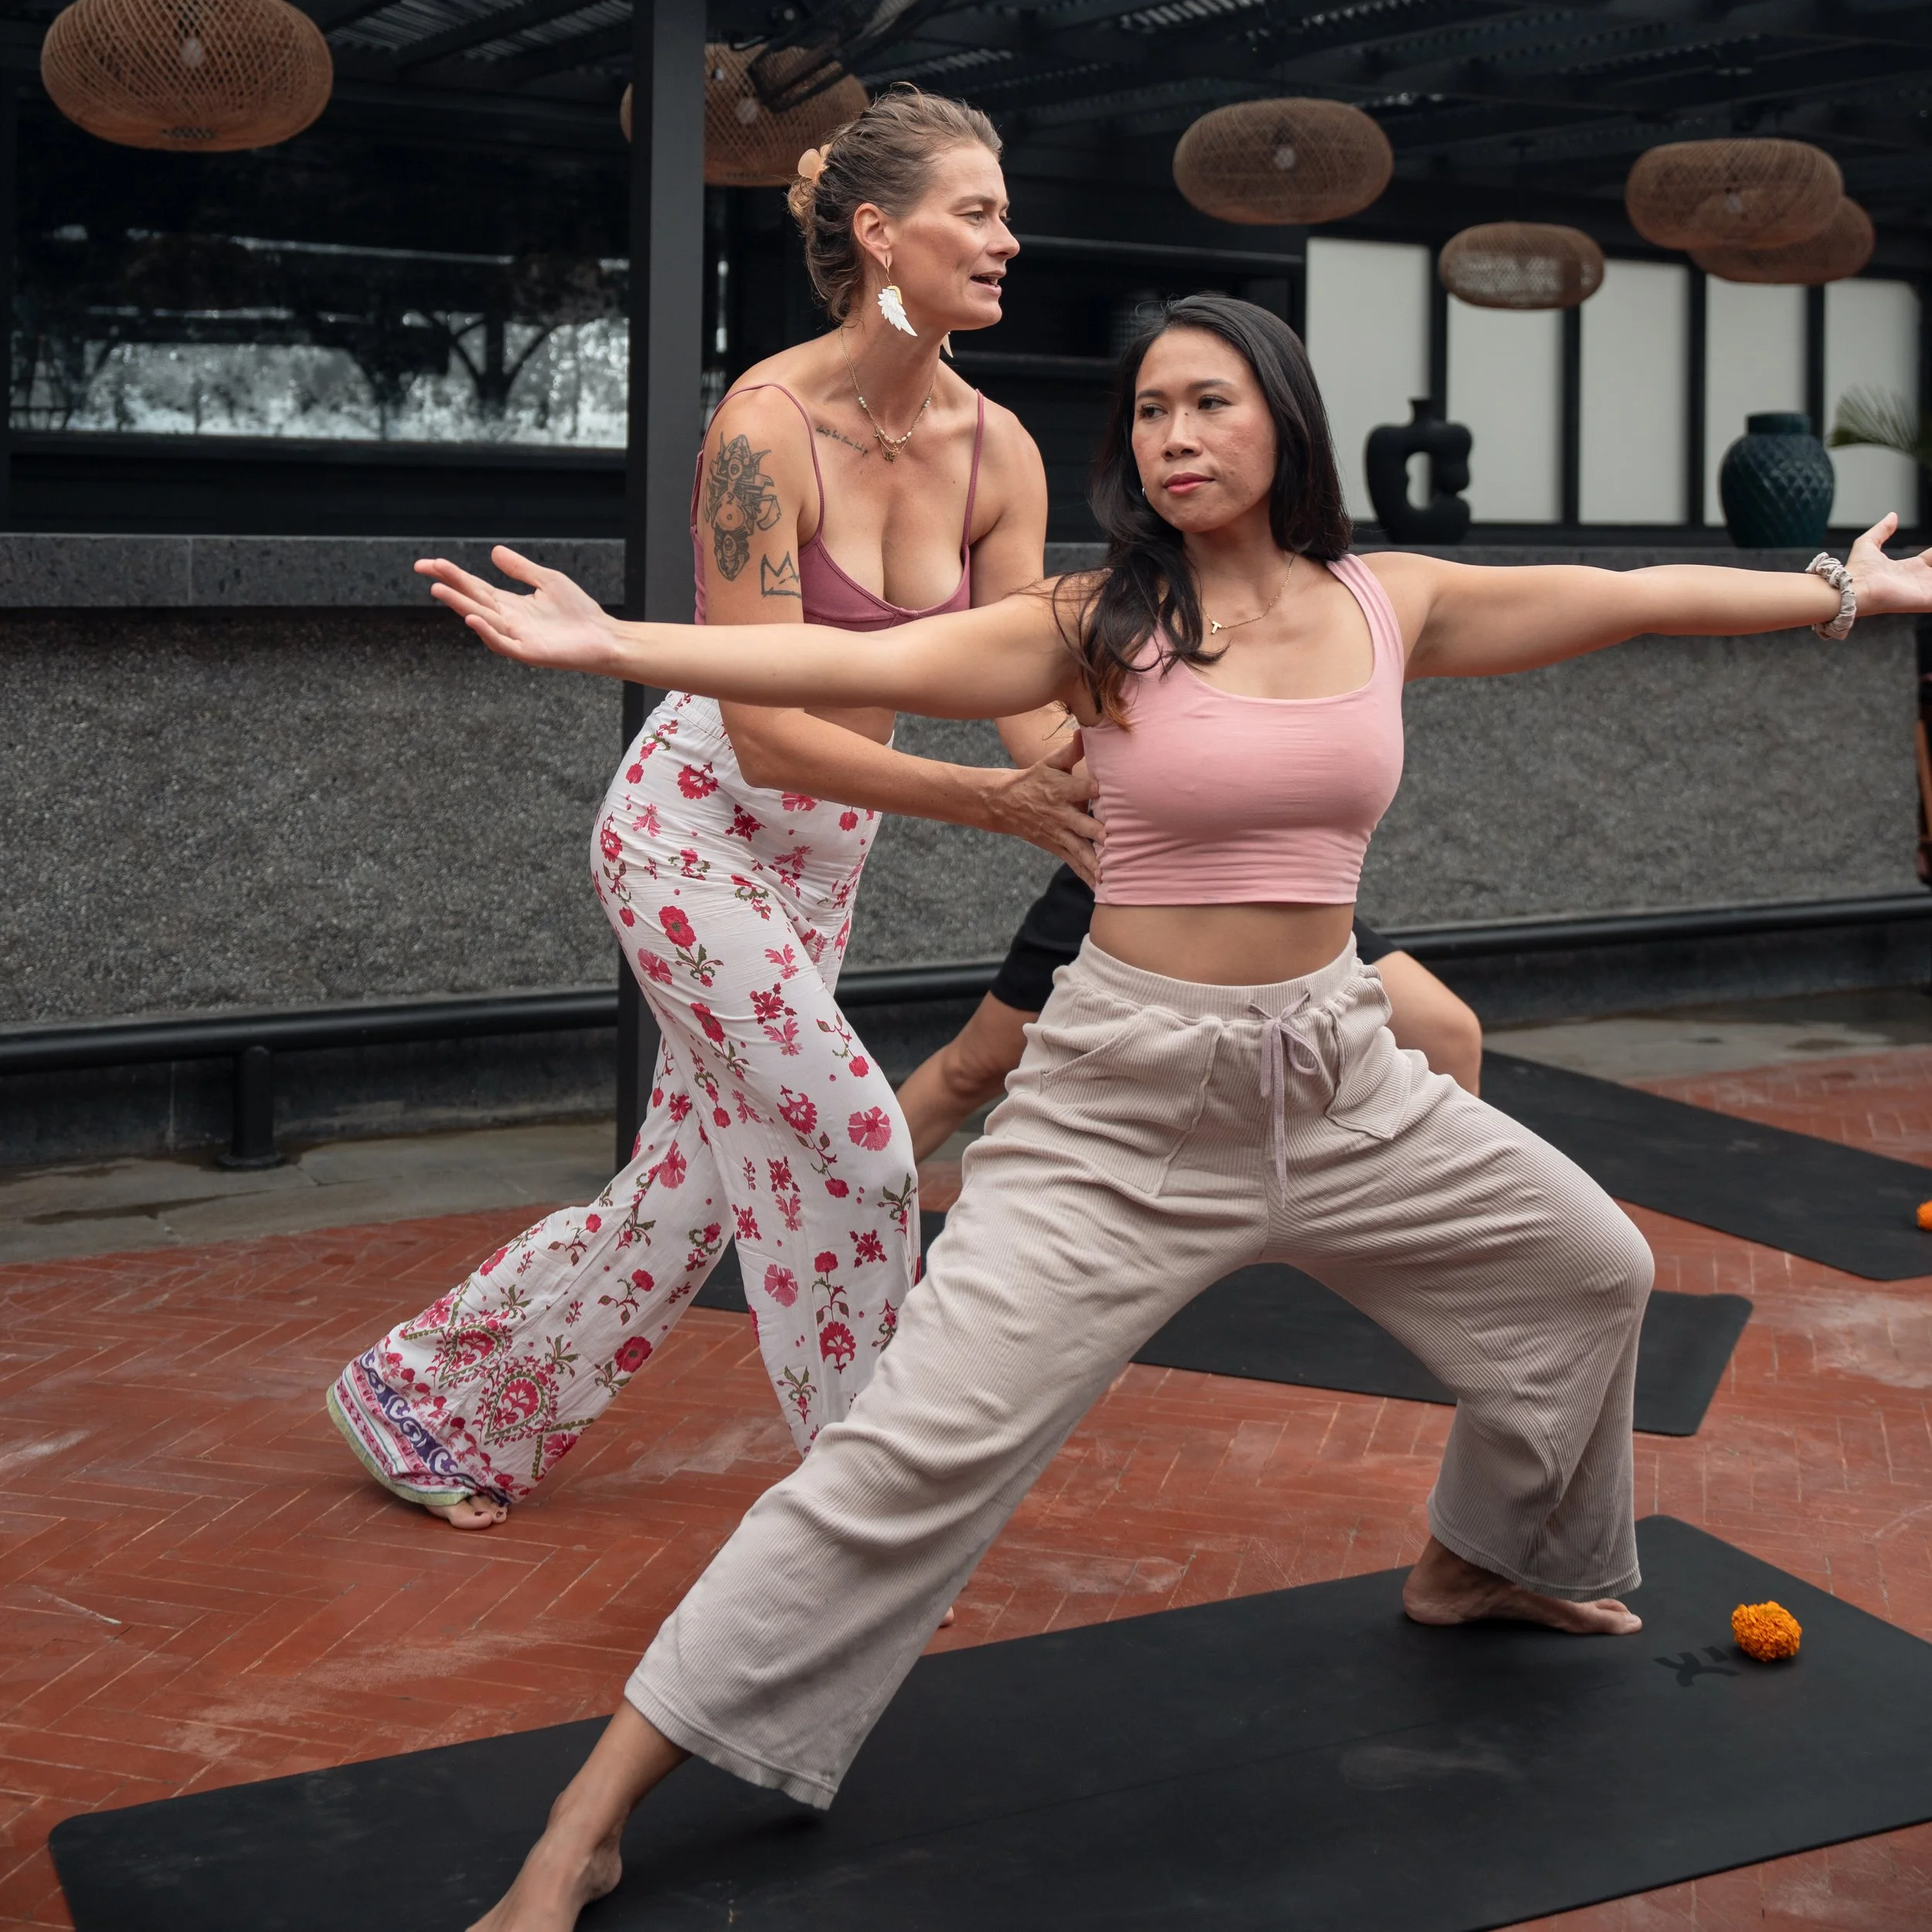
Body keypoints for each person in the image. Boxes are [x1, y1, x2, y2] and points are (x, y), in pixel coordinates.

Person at [410, 294, 1929, 1931]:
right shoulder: (1096, 619)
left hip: (1342, 1080)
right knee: (898, 1466)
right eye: (1147, 413)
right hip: (1116, 1118)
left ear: (1281, 418)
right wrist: (608, 642)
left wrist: (1839, 586)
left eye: (1208, 403)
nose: (1175, 437)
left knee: (1587, 1270)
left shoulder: (1385, 600)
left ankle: (1484, 1556)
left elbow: (1627, 600)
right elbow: (847, 659)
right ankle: (591, 1814)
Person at [325, 87, 1101, 1531]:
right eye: (979, 211)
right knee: (863, 1143)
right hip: (693, 829)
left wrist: (1102, 788)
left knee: (689, 1189)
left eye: (1008, 210)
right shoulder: (764, 427)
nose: (1013, 238)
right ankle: (872, 1495)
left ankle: (428, 1406)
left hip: (824, 858)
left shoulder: (1002, 451)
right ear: (881, 233)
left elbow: (1021, 686)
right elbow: (765, 726)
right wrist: (997, 805)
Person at [896, 859, 1481, 1165]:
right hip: (1136, 875)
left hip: (1267, 885)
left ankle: (1458, 1259)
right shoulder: (1114, 631)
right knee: (972, 1069)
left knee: (1447, 1032)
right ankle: (835, 1211)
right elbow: (1047, 740)